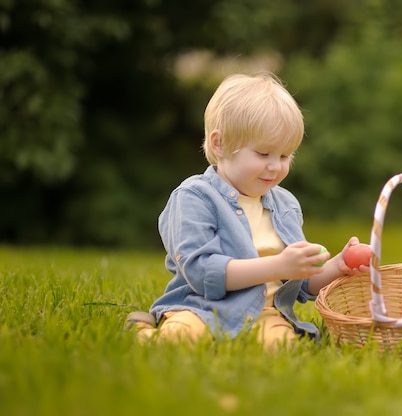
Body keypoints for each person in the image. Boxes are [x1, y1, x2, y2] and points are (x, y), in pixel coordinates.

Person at [125, 72, 368, 349]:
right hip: (201, 308)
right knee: (180, 340)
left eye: (285, 156)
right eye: (264, 154)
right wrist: (278, 265)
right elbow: (202, 272)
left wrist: (337, 266)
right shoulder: (194, 198)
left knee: (284, 349)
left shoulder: (285, 205)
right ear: (220, 144)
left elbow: (299, 283)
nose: (275, 166)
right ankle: (144, 330)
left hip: (265, 314)